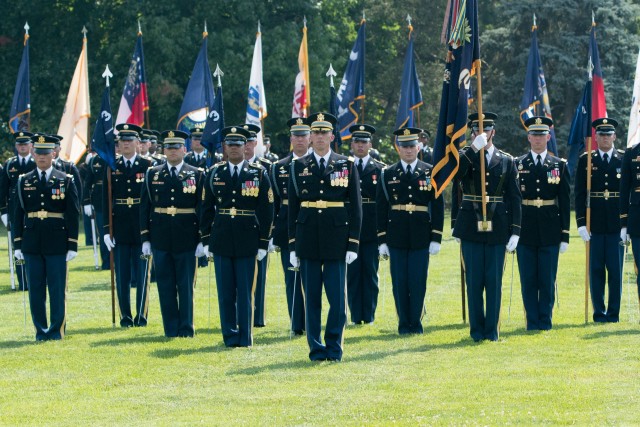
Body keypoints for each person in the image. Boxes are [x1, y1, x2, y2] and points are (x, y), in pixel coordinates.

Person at [288, 112, 362, 361]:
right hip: (308, 238)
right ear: (310, 137)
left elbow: (356, 207)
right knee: (312, 299)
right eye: (315, 133)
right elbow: (292, 209)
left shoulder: (346, 165)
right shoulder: (297, 166)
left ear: (332, 136)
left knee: (337, 299)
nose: (319, 137)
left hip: (336, 238)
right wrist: (291, 246)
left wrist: (353, 242)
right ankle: (315, 348)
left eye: (324, 133)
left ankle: (334, 346)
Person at [201, 126, 274, 347]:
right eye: (230, 144)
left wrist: (263, 241)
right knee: (225, 293)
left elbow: (267, 209)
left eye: (238, 144)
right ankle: (229, 335)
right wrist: (205, 240)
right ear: (224, 147)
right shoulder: (214, 172)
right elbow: (205, 208)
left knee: (245, 292)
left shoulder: (259, 173)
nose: (234, 148)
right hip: (222, 238)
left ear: (246, 146)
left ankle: (245, 335)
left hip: (248, 239)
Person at [452, 112, 521, 342]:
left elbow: (514, 198)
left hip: (498, 226)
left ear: (494, 131)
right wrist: (473, 149)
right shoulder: (465, 155)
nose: (481, 133)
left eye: (486, 129)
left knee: (493, 282)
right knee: (474, 281)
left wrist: (516, 230)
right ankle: (476, 331)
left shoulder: (507, 160)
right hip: (471, 225)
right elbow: (456, 176)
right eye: (476, 130)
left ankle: (491, 331)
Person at [377, 127, 444, 334]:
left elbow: (438, 206)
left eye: (412, 146)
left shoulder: (430, 171)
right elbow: (381, 207)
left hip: (421, 234)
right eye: (404, 146)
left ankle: (416, 322)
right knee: (400, 282)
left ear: (418, 146)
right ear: (398, 148)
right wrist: (382, 240)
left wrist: (436, 237)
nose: (408, 150)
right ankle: (403, 323)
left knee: (417, 281)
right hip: (396, 234)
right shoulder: (388, 173)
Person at [13, 134, 79, 340]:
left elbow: (73, 213)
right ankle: (40, 330)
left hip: (57, 241)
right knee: (36, 289)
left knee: (57, 289)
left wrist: (72, 245)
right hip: (32, 241)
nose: (42, 157)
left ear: (53, 153)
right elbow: (17, 214)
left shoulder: (65, 180)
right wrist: (17, 244)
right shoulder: (24, 180)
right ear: (33, 154)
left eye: (45, 153)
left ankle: (56, 329)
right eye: (38, 153)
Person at [140, 130, 205, 337]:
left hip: (187, 236)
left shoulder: (197, 174)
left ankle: (186, 327)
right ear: (163, 150)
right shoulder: (153, 173)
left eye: (177, 147)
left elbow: (203, 208)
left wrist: (203, 239)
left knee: (186, 285)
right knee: (165, 285)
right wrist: (145, 237)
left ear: (184, 149)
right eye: (169, 147)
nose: (173, 151)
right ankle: (170, 328)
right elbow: (145, 207)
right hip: (161, 236)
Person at [515, 117, 570, 331]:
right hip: (525, 228)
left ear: (548, 137)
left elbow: (565, 202)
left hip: (550, 229)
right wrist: (513, 232)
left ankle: (545, 321)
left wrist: (565, 234)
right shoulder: (517, 164)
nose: (538, 139)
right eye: (534, 134)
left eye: (542, 135)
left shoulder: (559, 165)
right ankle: (532, 320)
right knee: (528, 278)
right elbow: (513, 200)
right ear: (528, 137)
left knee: (547, 279)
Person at [102, 123, 152, 327]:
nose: (125, 144)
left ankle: (141, 315)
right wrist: (106, 230)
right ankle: (125, 315)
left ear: (138, 143)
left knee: (142, 274)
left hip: (141, 226)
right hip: (119, 226)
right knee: (121, 275)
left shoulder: (147, 165)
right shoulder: (112, 166)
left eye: (129, 140)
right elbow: (105, 200)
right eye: (122, 141)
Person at [577, 118, 624, 323]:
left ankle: (613, 313)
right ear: (595, 137)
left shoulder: (623, 159)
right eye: (601, 134)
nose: (605, 138)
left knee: (615, 271)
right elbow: (579, 194)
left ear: (614, 136)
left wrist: (626, 224)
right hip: (593, 223)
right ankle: (598, 312)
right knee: (595, 270)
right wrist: (580, 223)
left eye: (608, 134)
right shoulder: (586, 159)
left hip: (616, 224)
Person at [270, 117, 310, 335]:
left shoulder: (317, 164)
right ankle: (296, 323)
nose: (300, 139)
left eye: (304, 135)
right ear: (291, 138)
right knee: (291, 278)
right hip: (288, 228)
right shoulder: (278, 168)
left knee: (312, 277)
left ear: (310, 138)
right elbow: (273, 204)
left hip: (314, 225)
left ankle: (312, 320)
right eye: (296, 135)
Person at [347, 124, 386, 325]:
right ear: (351, 144)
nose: (360, 145)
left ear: (370, 144)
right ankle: (355, 316)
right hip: (351, 227)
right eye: (357, 141)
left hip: (371, 228)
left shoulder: (380, 169)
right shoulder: (344, 167)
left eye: (364, 142)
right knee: (352, 274)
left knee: (370, 273)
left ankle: (369, 316)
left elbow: (384, 202)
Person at [243, 123, 273, 327]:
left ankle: (258, 316)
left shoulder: (266, 167)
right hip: (236, 227)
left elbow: (272, 202)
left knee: (259, 274)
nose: (246, 145)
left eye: (250, 141)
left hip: (259, 226)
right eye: (242, 142)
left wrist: (269, 233)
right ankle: (241, 314)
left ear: (256, 143)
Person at [0, 131, 36, 291]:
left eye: (25, 144)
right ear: (16, 146)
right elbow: (2, 191)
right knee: (17, 247)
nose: (22, 147)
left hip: (33, 212)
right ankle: (22, 281)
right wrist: (3, 212)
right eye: (19, 144)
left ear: (30, 145)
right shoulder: (10, 165)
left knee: (35, 245)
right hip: (14, 213)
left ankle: (36, 280)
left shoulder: (37, 163)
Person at [82, 150, 110, 270]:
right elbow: (88, 183)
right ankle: (107, 262)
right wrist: (86, 201)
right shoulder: (94, 161)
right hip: (99, 201)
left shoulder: (117, 158)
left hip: (116, 201)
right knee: (103, 233)